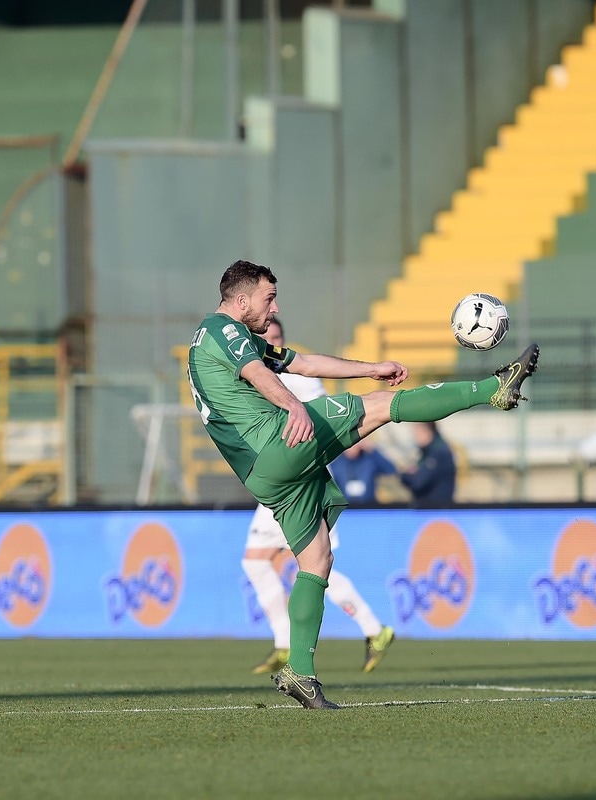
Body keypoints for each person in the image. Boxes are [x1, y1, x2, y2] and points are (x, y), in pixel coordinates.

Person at [188, 260, 539, 709]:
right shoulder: (223, 330)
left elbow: (303, 362)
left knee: (316, 558)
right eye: (268, 298)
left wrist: (371, 367)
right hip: (279, 441)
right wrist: (293, 406)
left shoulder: (225, 338)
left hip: (261, 474)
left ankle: (300, 672)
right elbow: (259, 375)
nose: (275, 308)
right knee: (382, 407)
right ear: (241, 300)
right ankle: (494, 388)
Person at [243, 317, 395, 677]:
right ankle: (297, 639)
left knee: (313, 563)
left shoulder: (300, 380)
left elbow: (325, 423)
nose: (268, 341)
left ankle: (365, 630)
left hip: (301, 480)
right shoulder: (253, 374)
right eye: (262, 335)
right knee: (264, 561)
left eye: (274, 336)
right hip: (278, 480)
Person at [329, 438, 399, 506]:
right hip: (344, 509)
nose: (353, 446)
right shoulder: (335, 463)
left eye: (355, 442)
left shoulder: (370, 460)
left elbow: (391, 470)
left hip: (368, 507)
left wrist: (372, 450)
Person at [400, 421, 457, 502]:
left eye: (417, 434)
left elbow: (418, 483)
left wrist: (405, 476)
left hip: (436, 506)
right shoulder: (427, 451)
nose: (415, 438)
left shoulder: (438, 452)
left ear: (427, 432)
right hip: (428, 505)